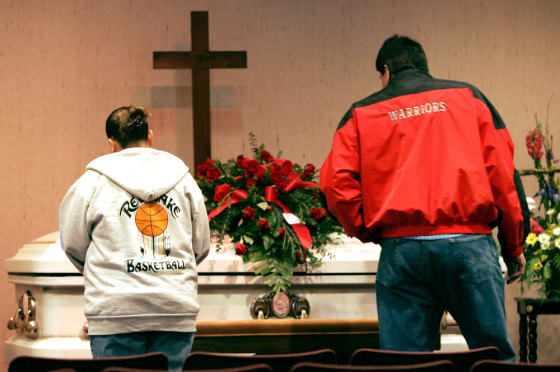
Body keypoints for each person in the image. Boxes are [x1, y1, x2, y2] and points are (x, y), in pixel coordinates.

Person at [320, 35, 530, 361]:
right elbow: (503, 175)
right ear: (423, 67)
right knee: (493, 358)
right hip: (469, 245)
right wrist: (513, 245)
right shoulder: (469, 97)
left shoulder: (362, 112)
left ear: (386, 71)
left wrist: (371, 230)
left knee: (403, 365)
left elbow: (336, 186)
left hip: (403, 253)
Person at [59, 105, 210, 371]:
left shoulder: (90, 184)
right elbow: (200, 245)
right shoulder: (185, 181)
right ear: (150, 136)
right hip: (173, 308)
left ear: (112, 144)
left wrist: (107, 268)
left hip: (116, 311)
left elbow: (72, 244)